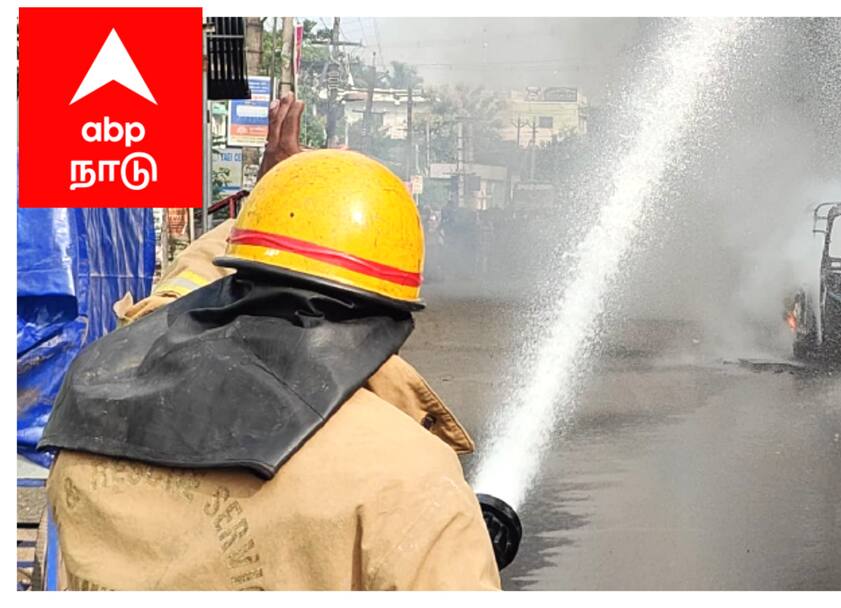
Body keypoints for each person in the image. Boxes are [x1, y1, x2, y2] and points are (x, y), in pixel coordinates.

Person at [38, 93, 502, 590]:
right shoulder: (411, 478)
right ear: (392, 313)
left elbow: (171, 300)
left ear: (238, 277)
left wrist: (268, 203)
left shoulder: (100, 404)